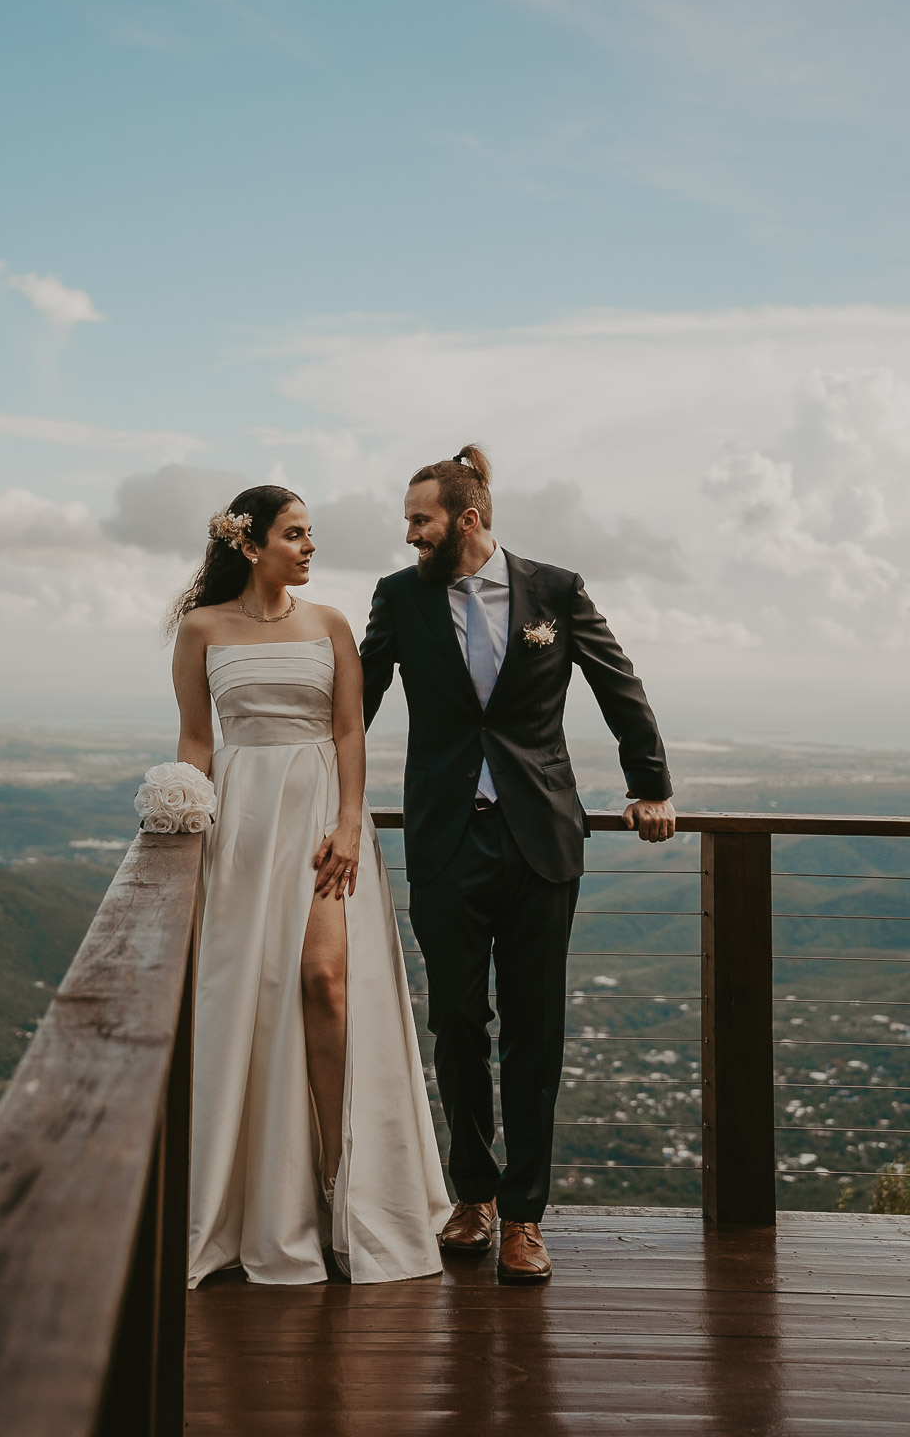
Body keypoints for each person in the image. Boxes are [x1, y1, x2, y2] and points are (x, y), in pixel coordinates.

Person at [360, 445, 675, 1284]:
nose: (409, 535)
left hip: (541, 841)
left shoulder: (555, 591)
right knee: (457, 1022)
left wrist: (650, 786)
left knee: (537, 1030)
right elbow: (354, 701)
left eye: (419, 520)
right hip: (446, 840)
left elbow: (619, 686)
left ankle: (526, 1218)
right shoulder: (399, 598)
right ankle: (472, 1195)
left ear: (466, 519)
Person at [173, 484, 449, 1286]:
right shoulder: (201, 629)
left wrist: (350, 823)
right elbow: (196, 739)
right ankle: (275, 1199)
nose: (309, 547)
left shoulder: (329, 625)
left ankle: (344, 1184)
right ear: (250, 544)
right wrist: (185, 815)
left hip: (326, 822)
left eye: (310, 534)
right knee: (256, 998)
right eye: (295, 534)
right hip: (245, 825)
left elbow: (348, 728)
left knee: (324, 981)